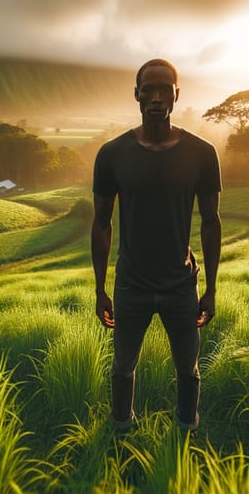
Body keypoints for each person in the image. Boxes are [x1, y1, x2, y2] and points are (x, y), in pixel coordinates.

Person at [91, 59, 222, 431]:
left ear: (177, 95)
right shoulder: (113, 154)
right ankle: (121, 431)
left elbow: (211, 223)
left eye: (166, 89)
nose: (157, 97)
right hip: (131, 284)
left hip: (181, 284)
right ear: (136, 94)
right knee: (122, 368)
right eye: (148, 89)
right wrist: (100, 289)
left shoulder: (201, 153)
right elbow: (101, 223)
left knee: (189, 369)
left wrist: (210, 289)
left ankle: (185, 432)